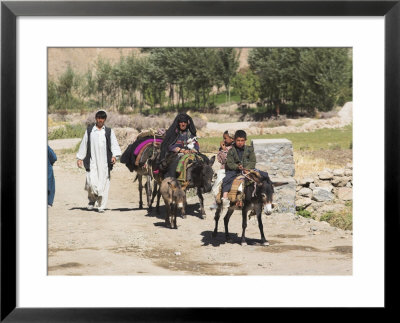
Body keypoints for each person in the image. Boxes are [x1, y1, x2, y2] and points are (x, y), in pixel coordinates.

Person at [76, 110, 121, 213]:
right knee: (91, 182)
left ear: (104, 120)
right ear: (95, 119)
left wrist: (115, 156)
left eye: (102, 118)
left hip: (105, 163)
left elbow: (114, 145)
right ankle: (92, 200)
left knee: (104, 183)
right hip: (92, 161)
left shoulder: (109, 131)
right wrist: (80, 158)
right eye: (98, 118)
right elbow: (84, 144)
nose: (100, 120)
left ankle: (101, 206)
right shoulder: (90, 131)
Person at [221, 130, 256, 209]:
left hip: (247, 170)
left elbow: (253, 161)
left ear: (245, 140)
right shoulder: (231, 151)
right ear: (235, 140)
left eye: (242, 141)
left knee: (261, 176)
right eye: (238, 140)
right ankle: (225, 197)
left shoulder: (250, 150)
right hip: (234, 171)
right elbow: (229, 163)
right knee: (227, 178)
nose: (240, 142)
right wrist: (237, 167)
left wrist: (246, 168)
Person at [159, 113, 200, 179]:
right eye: (181, 122)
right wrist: (181, 150)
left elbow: (195, 144)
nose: (183, 124)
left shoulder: (190, 133)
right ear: (178, 123)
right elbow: (169, 145)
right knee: (174, 163)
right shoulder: (174, 132)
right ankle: (170, 180)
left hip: (190, 153)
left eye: (185, 122)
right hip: (176, 154)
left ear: (187, 123)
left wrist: (194, 150)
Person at [209, 130, 234, 210]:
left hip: (232, 169)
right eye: (223, 138)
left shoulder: (234, 148)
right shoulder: (222, 148)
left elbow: (229, 160)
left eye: (225, 138)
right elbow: (220, 160)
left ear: (232, 139)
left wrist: (225, 150)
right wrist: (223, 150)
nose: (224, 140)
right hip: (223, 169)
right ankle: (217, 200)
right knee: (217, 183)